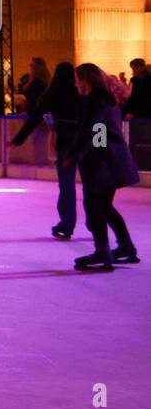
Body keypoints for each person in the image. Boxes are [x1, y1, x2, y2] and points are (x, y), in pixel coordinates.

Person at [63, 64, 140, 271]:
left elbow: (96, 132)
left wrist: (75, 155)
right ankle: (125, 247)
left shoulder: (96, 102)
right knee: (104, 207)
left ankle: (102, 252)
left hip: (103, 164)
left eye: (77, 79)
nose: (75, 83)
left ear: (85, 80)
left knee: (95, 207)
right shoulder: (105, 99)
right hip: (111, 161)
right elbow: (98, 132)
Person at [10, 61, 80, 238]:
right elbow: (97, 123)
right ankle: (93, 224)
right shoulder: (81, 95)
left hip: (65, 143)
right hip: (84, 143)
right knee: (89, 186)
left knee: (66, 185)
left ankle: (67, 223)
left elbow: (35, 118)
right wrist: (99, 145)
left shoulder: (52, 95)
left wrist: (18, 140)